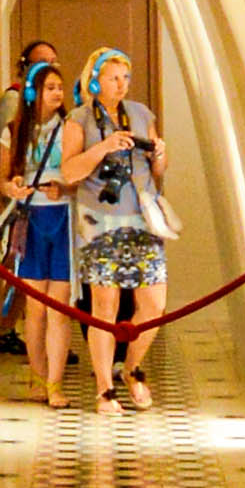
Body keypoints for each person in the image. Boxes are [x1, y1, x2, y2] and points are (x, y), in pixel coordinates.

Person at [61, 45, 173, 406]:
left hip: (142, 217)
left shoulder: (140, 114)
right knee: (104, 306)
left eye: (125, 77)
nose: (121, 84)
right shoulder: (79, 119)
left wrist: (159, 155)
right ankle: (104, 387)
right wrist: (104, 147)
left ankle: (132, 366)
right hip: (100, 221)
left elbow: (157, 171)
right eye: (113, 78)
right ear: (95, 81)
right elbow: (69, 172)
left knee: (154, 303)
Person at [0, 44, 79, 402]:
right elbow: (3, 179)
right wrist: (13, 187)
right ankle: (37, 376)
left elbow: (78, 177)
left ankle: (55, 384)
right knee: (35, 308)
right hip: (30, 218)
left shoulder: (70, 129)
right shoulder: (14, 131)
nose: (57, 93)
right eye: (50, 87)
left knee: (59, 307)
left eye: (60, 87)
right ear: (33, 93)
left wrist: (64, 187)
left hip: (61, 217)